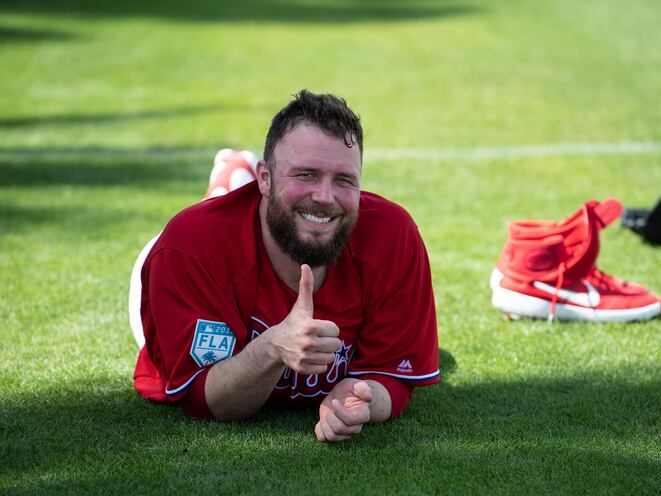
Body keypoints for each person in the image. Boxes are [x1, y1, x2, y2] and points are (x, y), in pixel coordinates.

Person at [129, 90, 440, 443]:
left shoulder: (392, 236)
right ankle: (227, 183)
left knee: (291, 212)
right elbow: (205, 399)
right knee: (219, 214)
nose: (325, 197)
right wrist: (273, 345)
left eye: (343, 180)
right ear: (265, 178)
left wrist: (362, 398)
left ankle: (239, 182)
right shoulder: (187, 249)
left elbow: (393, 374)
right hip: (177, 265)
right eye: (306, 174)